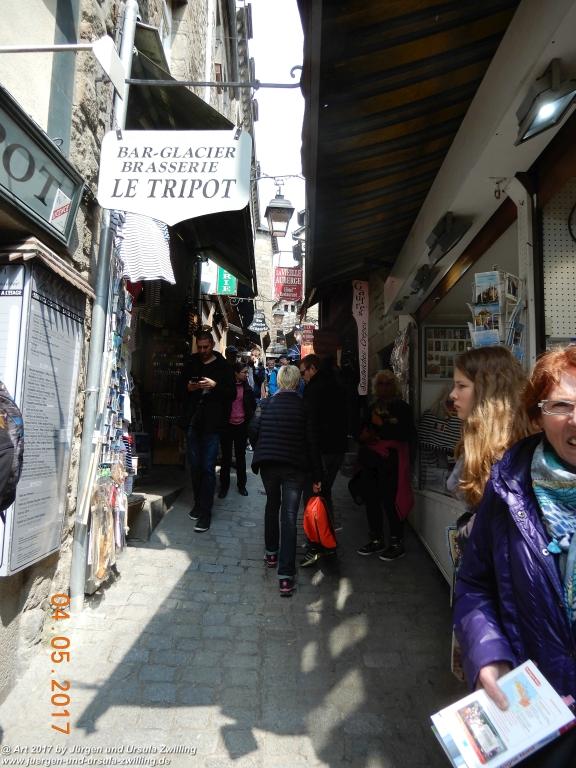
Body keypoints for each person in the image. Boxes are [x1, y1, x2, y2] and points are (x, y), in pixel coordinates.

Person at [454, 345, 576, 766]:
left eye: (461, 386)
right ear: (539, 415)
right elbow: (475, 582)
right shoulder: (510, 486)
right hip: (535, 715)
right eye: (562, 405)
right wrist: (487, 653)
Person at [251, 364, 322, 597]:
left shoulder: (266, 403)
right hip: (294, 467)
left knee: (272, 505)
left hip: (269, 464)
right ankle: (285, 576)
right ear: (296, 382)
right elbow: (313, 442)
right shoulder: (304, 407)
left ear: (280, 381)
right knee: (289, 516)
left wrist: (261, 447)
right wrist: (317, 475)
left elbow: (254, 430)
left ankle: (271, 553)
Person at [448, 346, 533, 538]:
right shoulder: (480, 441)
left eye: (461, 386)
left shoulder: (512, 452)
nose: (452, 394)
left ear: (486, 390)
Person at [356, 370, 416, 560]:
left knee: (391, 502)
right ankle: (376, 539)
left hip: (392, 462)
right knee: (371, 500)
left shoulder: (403, 408)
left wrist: (381, 425)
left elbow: (406, 434)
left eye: (388, 383)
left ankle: (396, 541)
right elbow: (360, 430)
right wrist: (364, 436)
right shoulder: (371, 406)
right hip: (371, 461)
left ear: (394, 386)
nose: (384, 387)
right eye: (380, 384)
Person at [181, 330, 235, 533]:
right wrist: (189, 387)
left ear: (212, 344)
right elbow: (180, 388)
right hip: (194, 422)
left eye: (206, 347)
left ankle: (206, 512)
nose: (202, 351)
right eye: (200, 347)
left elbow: (230, 394)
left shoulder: (223, 367)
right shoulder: (191, 362)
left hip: (212, 425)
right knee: (195, 466)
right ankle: (198, 502)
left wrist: (215, 386)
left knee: (208, 467)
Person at [299, 354, 348, 567]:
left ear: (313, 368)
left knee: (316, 496)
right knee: (324, 494)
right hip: (337, 447)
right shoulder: (337, 383)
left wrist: (315, 469)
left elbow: (311, 428)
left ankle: (320, 545)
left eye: (303, 372)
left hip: (323, 450)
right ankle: (325, 542)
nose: (302, 377)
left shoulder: (314, 389)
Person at [218, 362, 256, 498]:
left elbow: (252, 406)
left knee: (241, 457)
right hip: (227, 426)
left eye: (247, 372)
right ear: (235, 373)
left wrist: (247, 420)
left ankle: (242, 485)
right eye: (244, 372)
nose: (246, 374)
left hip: (241, 426)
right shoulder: (227, 387)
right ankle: (224, 486)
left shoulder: (247, 389)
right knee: (226, 458)